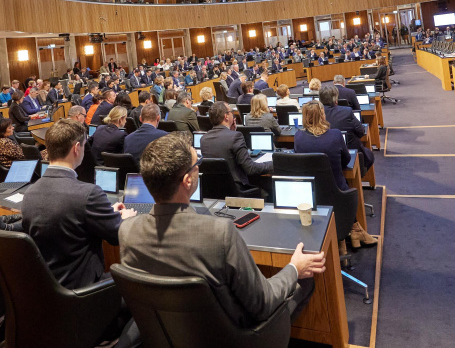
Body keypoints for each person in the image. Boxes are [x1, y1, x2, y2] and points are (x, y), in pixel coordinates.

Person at [119, 133, 325, 331]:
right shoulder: (219, 233)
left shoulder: (127, 231)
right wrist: (294, 268)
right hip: (238, 337)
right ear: (188, 181)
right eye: (196, 164)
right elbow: (264, 303)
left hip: (168, 333)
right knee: (304, 282)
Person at [23, 119, 136, 290]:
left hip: (48, 290)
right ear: (76, 148)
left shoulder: (29, 193)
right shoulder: (89, 193)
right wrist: (126, 218)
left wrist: (106, 211)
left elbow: (69, 215)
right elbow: (116, 235)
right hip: (85, 292)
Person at [294, 102, 376, 248]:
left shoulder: (298, 136)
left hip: (310, 194)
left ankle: (349, 235)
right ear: (322, 115)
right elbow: (346, 161)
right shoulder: (335, 134)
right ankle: (354, 230)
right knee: (345, 181)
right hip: (337, 192)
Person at [200, 102, 272, 189]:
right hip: (238, 190)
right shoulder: (236, 136)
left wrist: (232, 132)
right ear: (226, 116)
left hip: (214, 190)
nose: (232, 115)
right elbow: (251, 169)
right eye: (231, 112)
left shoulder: (204, 139)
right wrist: (274, 163)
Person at [319, 86, 372, 173]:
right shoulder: (346, 111)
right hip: (347, 155)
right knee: (369, 155)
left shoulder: (314, 113)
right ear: (336, 99)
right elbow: (361, 131)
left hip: (322, 158)